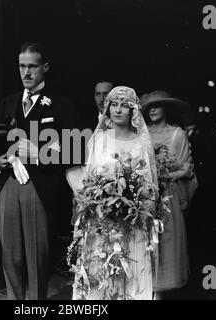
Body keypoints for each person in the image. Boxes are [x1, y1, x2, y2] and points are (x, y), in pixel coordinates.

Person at [0, 42, 78, 300]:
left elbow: (74, 151)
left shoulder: (61, 105)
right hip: (8, 185)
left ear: (45, 68)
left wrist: (39, 156)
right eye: (22, 66)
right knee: (11, 256)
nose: (26, 72)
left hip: (39, 188)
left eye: (32, 66)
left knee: (36, 256)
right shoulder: (7, 103)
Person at [67, 86, 159, 300]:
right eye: (114, 105)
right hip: (101, 221)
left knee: (130, 274)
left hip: (131, 222)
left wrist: (133, 202)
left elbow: (149, 185)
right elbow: (88, 179)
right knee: (100, 276)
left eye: (124, 106)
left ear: (133, 111)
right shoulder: (99, 140)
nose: (118, 110)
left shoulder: (142, 143)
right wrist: (97, 199)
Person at [140, 90, 198, 294]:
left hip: (168, 196)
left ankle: (160, 294)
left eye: (158, 106)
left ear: (166, 109)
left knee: (167, 241)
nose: (153, 110)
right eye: (149, 107)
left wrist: (168, 175)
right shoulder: (142, 133)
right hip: (145, 196)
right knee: (145, 243)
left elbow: (186, 168)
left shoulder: (177, 134)